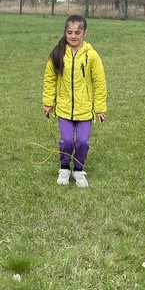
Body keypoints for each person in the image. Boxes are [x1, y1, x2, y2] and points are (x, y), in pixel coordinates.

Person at [43, 15, 107, 188]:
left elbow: (100, 82)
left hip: (85, 110)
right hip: (64, 109)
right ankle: (64, 167)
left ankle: (78, 169)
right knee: (67, 141)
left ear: (85, 33)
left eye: (77, 33)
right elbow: (50, 78)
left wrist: (100, 108)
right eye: (69, 32)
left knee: (82, 142)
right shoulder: (57, 54)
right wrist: (48, 102)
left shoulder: (92, 55)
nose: (73, 36)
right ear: (65, 33)